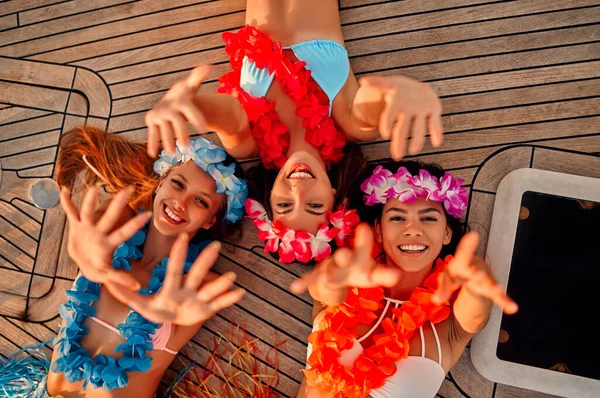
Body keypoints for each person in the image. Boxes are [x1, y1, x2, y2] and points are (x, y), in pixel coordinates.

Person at [144, 0, 443, 263]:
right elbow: (373, 106)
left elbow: (224, 114)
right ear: (335, 196)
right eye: (315, 205)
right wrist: (399, 94)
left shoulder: (248, 143)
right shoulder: (349, 126)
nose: (299, 191)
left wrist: (187, 102)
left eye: (285, 204)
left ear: (270, 196)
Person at [45, 126, 248, 397]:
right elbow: (96, 226)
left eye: (200, 200)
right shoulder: (119, 222)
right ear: (162, 181)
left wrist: (168, 315)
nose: (180, 202)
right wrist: (83, 253)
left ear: (211, 220)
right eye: (177, 184)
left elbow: (223, 290)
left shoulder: (190, 285)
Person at [290, 160, 519, 398]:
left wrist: (475, 273)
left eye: (428, 218)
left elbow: (475, 314)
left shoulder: (449, 324)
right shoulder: (347, 288)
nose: (412, 229)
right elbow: (325, 288)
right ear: (378, 229)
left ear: (447, 233)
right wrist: (335, 272)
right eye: (398, 218)